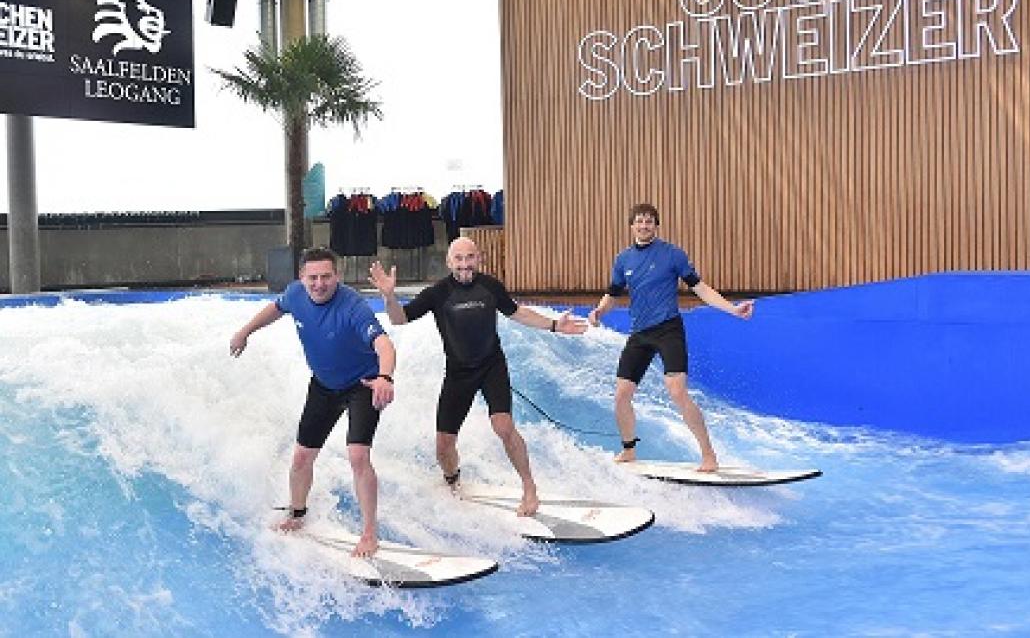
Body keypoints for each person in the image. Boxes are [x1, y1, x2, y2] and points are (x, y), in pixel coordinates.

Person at [369, 237, 587, 516]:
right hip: (458, 373)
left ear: (478, 259)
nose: (464, 264)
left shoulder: (489, 286)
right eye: (458, 259)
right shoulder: (438, 293)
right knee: (443, 446)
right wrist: (389, 297)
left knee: (504, 427)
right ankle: (452, 481)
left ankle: (529, 487)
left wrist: (555, 325)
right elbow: (400, 319)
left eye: (469, 257)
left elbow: (517, 313)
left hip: (491, 366)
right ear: (449, 262)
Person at [229, 247, 395, 557]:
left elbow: (384, 344)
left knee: (358, 456)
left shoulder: (353, 306)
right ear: (302, 278)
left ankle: (370, 534)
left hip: (364, 384)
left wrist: (385, 378)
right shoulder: (295, 294)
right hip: (324, 386)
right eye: (313, 278)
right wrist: (245, 331)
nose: (319, 284)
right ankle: (297, 515)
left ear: (338, 276)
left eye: (326, 277)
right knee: (301, 458)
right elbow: (275, 308)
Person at [588, 203, 754, 471]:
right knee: (621, 395)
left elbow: (701, 288)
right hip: (640, 333)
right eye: (639, 221)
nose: (644, 226)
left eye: (649, 221)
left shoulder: (672, 254)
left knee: (677, 392)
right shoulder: (623, 259)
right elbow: (613, 293)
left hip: (668, 329)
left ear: (656, 225)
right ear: (632, 226)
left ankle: (708, 455)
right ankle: (629, 450)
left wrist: (732, 309)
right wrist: (599, 311)